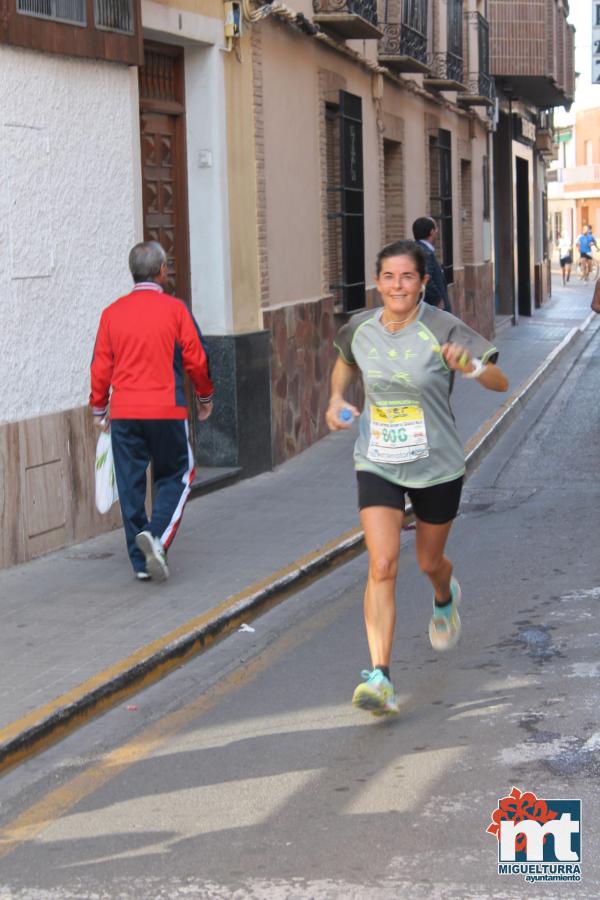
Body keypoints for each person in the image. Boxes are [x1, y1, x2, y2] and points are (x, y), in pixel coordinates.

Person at [326, 239, 509, 716]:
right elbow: (345, 360)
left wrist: (467, 366)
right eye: (389, 277)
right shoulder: (360, 328)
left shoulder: (442, 326)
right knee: (382, 564)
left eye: (407, 277)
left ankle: (445, 595)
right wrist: (335, 400)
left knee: (428, 562)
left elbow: (500, 380)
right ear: (378, 281)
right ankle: (380, 677)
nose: (397, 286)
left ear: (423, 282)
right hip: (378, 460)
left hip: (437, 464)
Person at [90, 241, 214, 582]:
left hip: (125, 414)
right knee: (178, 475)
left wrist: (99, 409)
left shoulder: (112, 313)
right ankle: (156, 535)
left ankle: (140, 563)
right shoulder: (175, 310)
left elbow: (101, 365)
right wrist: (204, 397)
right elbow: (196, 358)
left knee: (130, 487)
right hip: (166, 411)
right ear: (160, 271)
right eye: (167, 268)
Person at [412, 216, 451, 312]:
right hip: (432, 309)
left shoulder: (417, 249)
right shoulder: (425, 253)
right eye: (436, 229)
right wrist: (438, 300)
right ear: (432, 232)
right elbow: (426, 279)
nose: (437, 232)